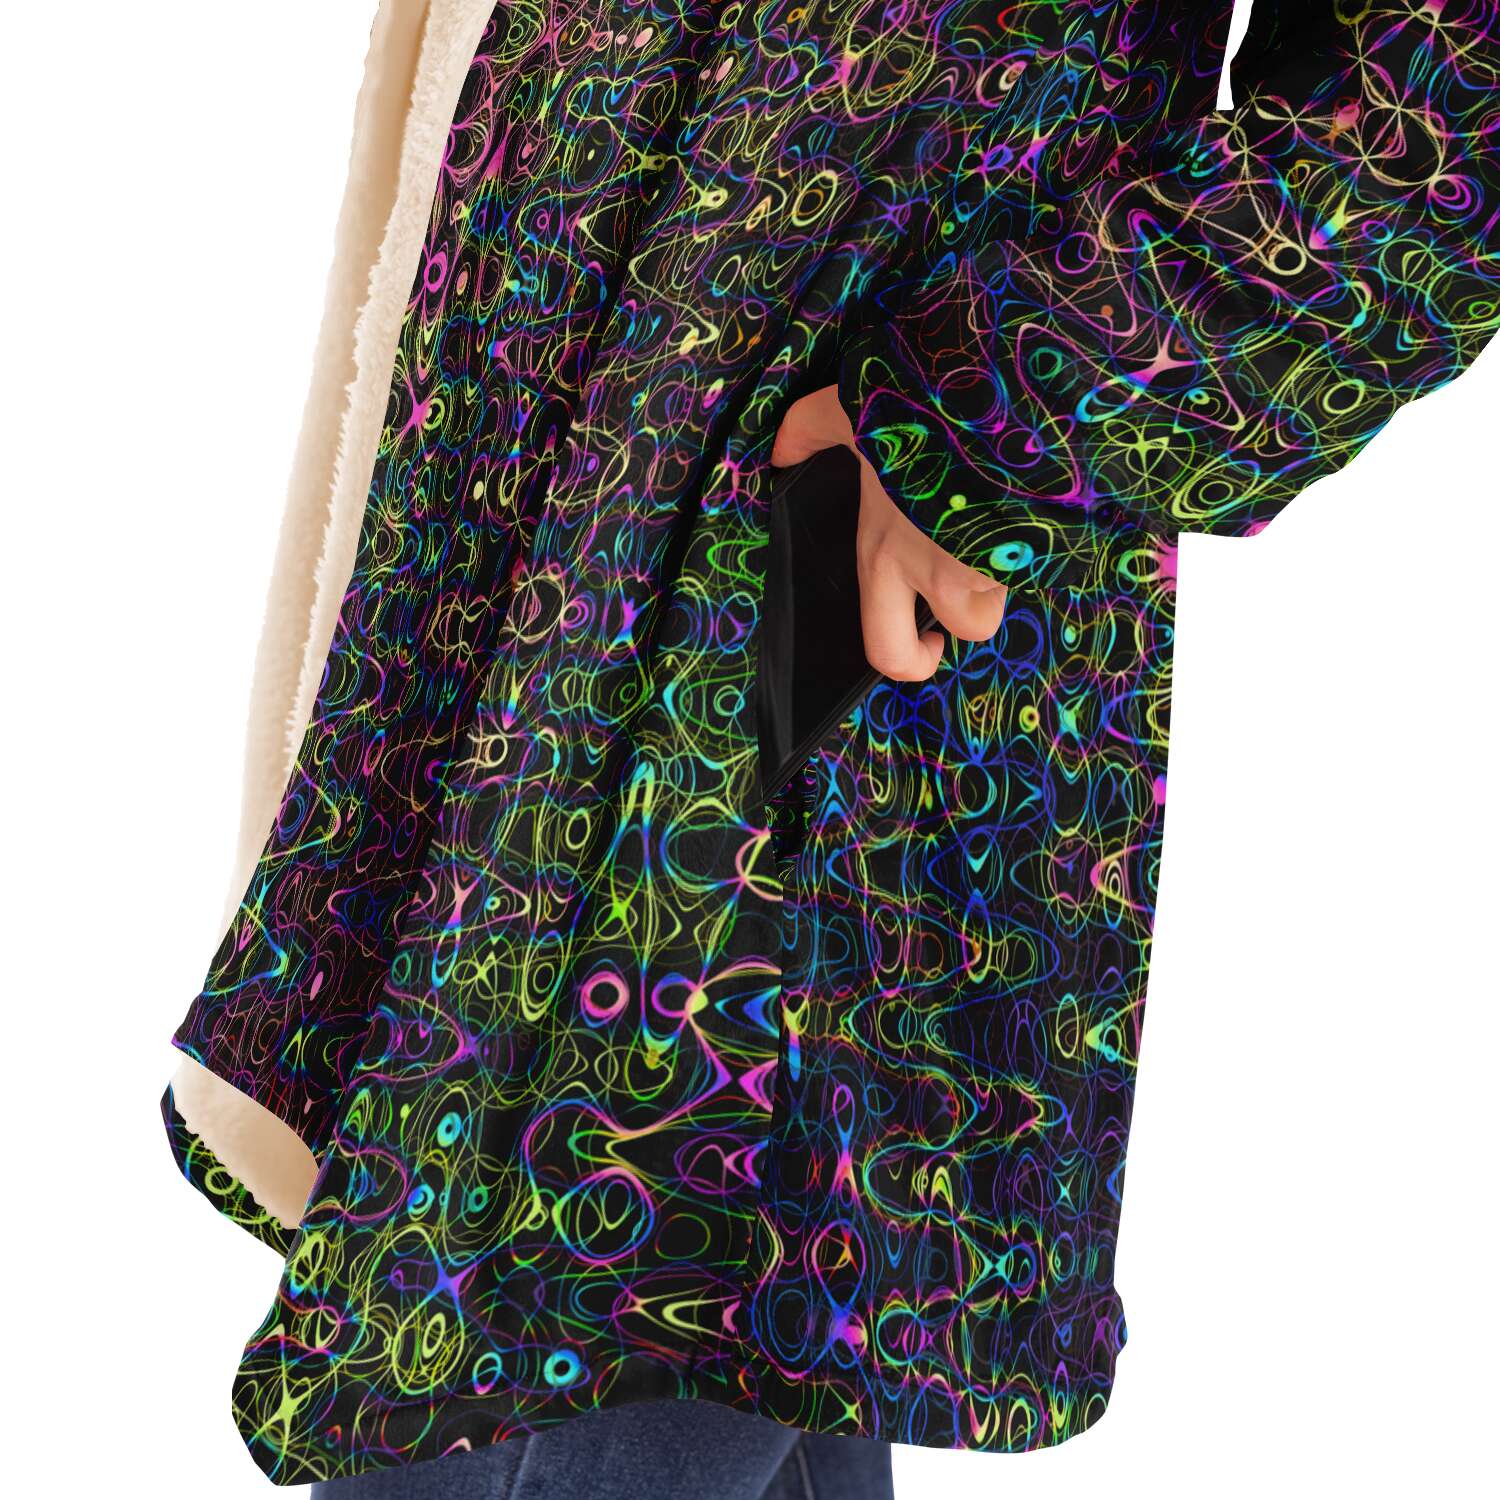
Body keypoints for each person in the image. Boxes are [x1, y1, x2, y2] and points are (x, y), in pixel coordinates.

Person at [160, 0, 1500, 1489]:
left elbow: (1453, 105)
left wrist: (1012, 396)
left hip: (829, 537)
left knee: (593, 1295)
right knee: (658, 1304)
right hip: (564, 488)